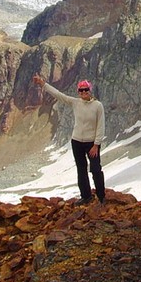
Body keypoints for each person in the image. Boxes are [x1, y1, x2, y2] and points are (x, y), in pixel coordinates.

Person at [32, 74, 106, 204]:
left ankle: (101, 197)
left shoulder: (97, 106)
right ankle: (86, 196)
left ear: (90, 90)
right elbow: (58, 95)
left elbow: (100, 126)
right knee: (81, 169)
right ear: (78, 91)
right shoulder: (75, 102)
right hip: (77, 141)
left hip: (91, 143)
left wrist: (96, 144)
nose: (83, 92)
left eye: (86, 90)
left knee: (95, 169)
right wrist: (43, 84)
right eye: (81, 90)